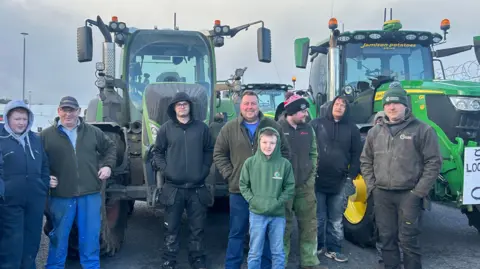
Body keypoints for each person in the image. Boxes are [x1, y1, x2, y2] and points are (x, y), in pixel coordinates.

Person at [360, 82, 442, 269]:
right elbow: (365, 160)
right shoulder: (374, 132)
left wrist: (418, 193)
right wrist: (372, 187)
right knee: (386, 238)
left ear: (405, 105)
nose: (392, 107)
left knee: (409, 240)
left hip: (409, 194)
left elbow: (433, 162)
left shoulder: (423, 130)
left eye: (396, 103)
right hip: (382, 194)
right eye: (388, 103)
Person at [213, 90, 290, 269]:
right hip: (239, 191)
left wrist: (276, 178)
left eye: (253, 103)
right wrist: (230, 174)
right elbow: (219, 153)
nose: (250, 107)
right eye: (246, 103)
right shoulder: (229, 128)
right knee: (237, 232)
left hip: (267, 192)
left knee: (265, 234)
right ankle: (232, 266)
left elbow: (285, 153)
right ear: (240, 106)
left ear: (258, 105)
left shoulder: (272, 126)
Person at [41, 96, 117, 269]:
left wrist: (107, 166)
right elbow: (37, 160)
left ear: (79, 112)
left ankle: (90, 266)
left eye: (72, 110)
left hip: (90, 194)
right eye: (65, 110)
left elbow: (110, 147)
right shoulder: (46, 135)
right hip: (61, 195)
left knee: (90, 237)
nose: (68, 114)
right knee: (58, 237)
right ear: (59, 111)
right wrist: (44, 176)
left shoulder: (92, 132)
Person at [152, 92, 214, 269]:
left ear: (190, 106)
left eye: (184, 104)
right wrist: (166, 170)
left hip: (197, 188)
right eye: (178, 104)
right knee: (171, 228)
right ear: (173, 108)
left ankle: (197, 259)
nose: (182, 107)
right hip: (174, 188)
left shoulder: (202, 128)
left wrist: (204, 169)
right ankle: (169, 260)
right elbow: (157, 152)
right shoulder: (166, 129)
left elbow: (209, 150)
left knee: (198, 228)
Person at [0, 100, 55, 268]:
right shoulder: (1, 139)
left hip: (34, 200)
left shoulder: (34, 139)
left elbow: (44, 165)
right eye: (17, 119)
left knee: (32, 240)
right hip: (10, 201)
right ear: (8, 118)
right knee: (12, 241)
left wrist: (43, 184)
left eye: (24, 119)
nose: (21, 123)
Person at [309, 96, 362, 263]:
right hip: (317, 180)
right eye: (337, 104)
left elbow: (356, 155)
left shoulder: (352, 129)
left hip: (339, 181)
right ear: (331, 106)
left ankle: (335, 249)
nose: (339, 107)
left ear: (347, 109)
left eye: (343, 105)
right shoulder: (316, 124)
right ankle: (318, 246)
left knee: (336, 220)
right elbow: (306, 147)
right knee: (318, 218)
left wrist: (351, 176)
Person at [277, 95, 327, 269]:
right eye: (302, 111)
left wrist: (311, 177)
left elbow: (314, 154)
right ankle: (280, 263)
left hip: (305, 187)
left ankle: (309, 262)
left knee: (309, 225)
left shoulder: (308, 130)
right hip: (283, 188)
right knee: (283, 227)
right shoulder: (277, 129)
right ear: (291, 112)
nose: (306, 114)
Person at [239, 127, 295, 269]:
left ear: (277, 144)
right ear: (259, 142)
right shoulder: (250, 163)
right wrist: (253, 200)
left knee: (277, 252)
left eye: (272, 143)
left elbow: (289, 187)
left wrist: (278, 202)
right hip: (257, 213)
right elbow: (243, 185)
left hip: (277, 215)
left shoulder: (284, 164)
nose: (268, 146)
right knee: (254, 252)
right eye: (264, 142)